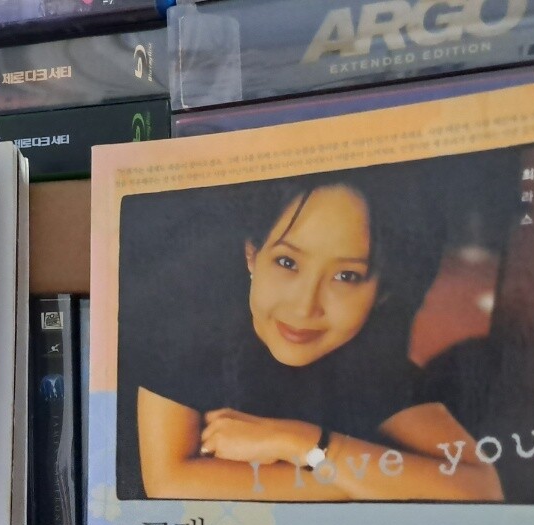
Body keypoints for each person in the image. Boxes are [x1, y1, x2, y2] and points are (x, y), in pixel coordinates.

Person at [129, 169, 503, 503]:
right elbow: (169, 480)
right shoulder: (187, 327)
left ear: (380, 292)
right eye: (287, 262)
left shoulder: (370, 362)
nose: (305, 307)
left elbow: (480, 488)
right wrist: (368, 481)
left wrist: (300, 442)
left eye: (346, 276)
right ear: (252, 255)